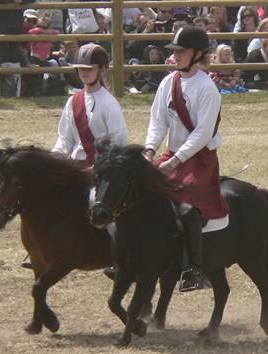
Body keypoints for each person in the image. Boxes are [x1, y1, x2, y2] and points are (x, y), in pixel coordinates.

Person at [20, 43, 128, 270]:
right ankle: (38, 250)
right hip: (75, 168)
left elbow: (119, 143)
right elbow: (64, 139)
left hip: (101, 171)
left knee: (95, 202)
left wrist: (98, 168)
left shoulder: (110, 104)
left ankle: (121, 254)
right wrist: (52, 162)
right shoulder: (73, 101)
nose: (84, 72)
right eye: (81, 68)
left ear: (102, 70)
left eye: (89, 68)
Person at [144, 26, 228, 292]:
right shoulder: (168, 83)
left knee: (188, 204)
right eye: (175, 51)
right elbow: (157, 122)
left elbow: (203, 134)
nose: (176, 56)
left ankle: (194, 268)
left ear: (198, 54)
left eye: (182, 51)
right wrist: (149, 150)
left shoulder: (208, 89)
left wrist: (175, 160)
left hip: (199, 158)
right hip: (172, 153)